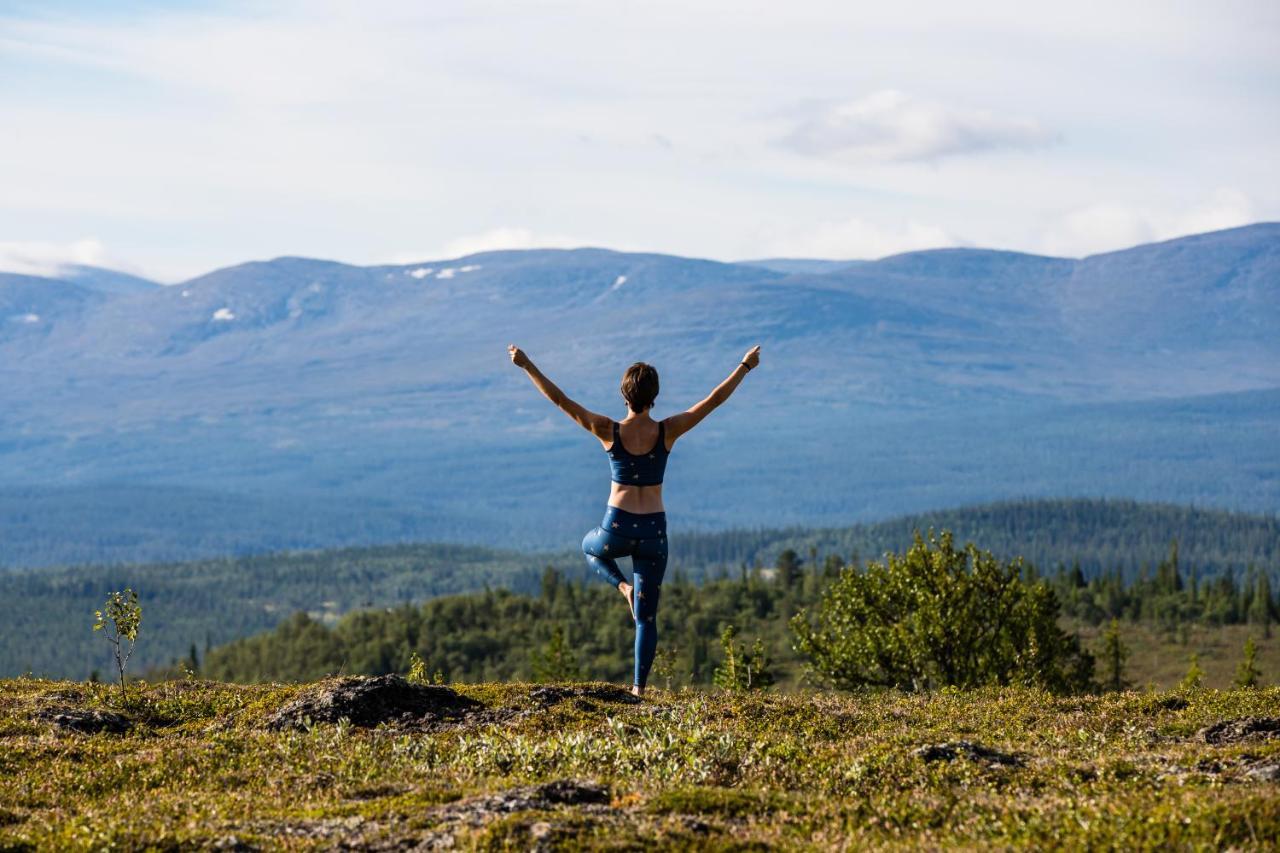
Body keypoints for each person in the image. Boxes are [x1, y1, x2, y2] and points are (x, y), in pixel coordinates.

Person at [508, 343, 761, 696]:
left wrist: (527, 365)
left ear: (623, 395)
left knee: (589, 547)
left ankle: (623, 587)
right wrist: (745, 366)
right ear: (654, 396)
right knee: (647, 617)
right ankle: (639, 689)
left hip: (618, 528)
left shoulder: (606, 429)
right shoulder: (668, 431)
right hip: (655, 533)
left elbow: (561, 401)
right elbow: (715, 399)